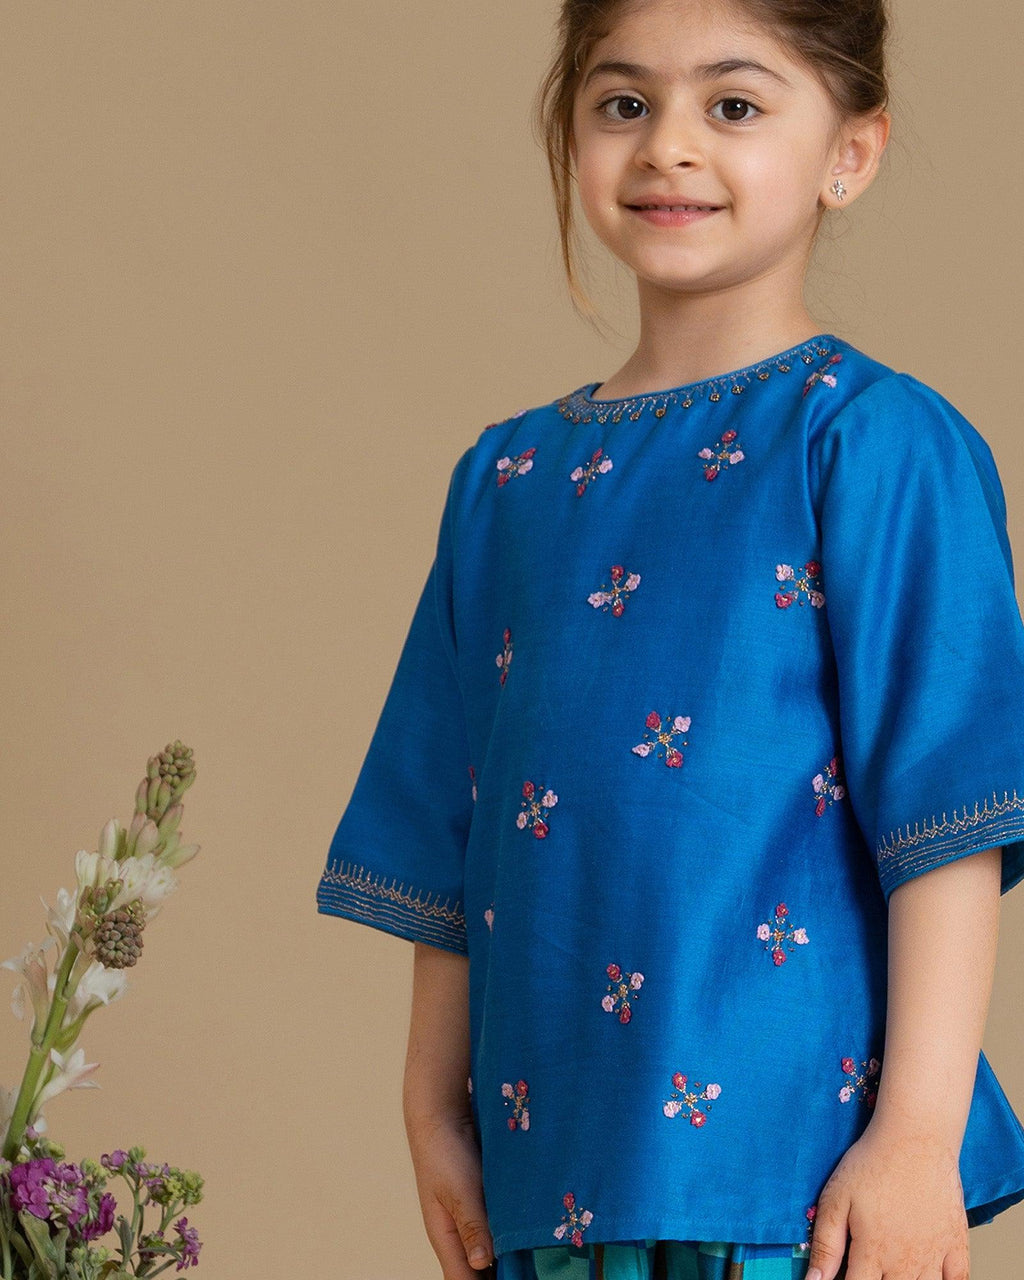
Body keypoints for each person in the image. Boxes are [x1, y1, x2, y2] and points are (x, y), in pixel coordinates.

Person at [316, 0, 1024, 1277]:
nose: (667, 148)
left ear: (849, 154)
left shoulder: (872, 444)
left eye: (734, 106)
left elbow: (949, 814)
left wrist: (915, 1136)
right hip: (552, 1157)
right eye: (621, 103)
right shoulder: (508, 478)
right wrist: (429, 1105)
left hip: (794, 1180)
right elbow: (451, 818)